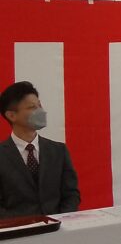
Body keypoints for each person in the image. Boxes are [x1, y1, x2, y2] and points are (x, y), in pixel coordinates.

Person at [0, 81, 79, 219]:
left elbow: (71, 194)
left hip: (58, 227)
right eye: (32, 107)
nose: (40, 111)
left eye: (40, 105)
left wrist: (61, 219)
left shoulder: (58, 151)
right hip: (17, 230)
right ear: (11, 115)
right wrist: (24, 224)